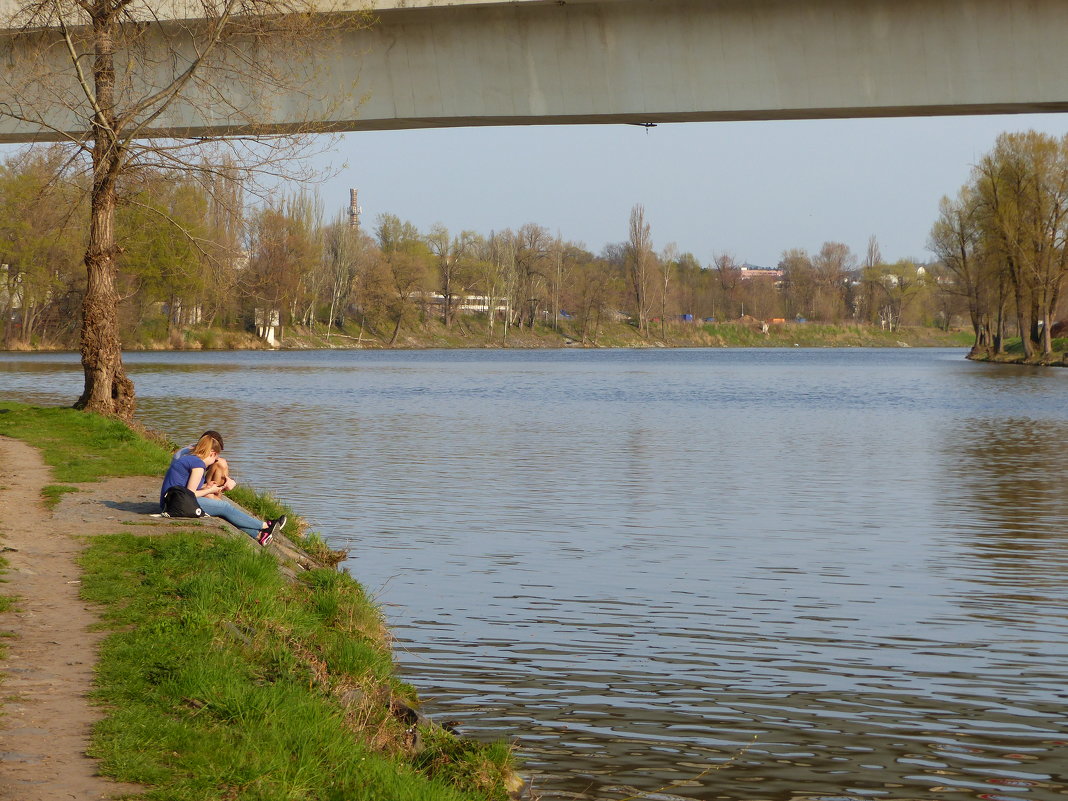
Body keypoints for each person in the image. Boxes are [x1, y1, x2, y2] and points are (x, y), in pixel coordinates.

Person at [160, 431, 285, 546]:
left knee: (222, 512)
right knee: (224, 507)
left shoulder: (189, 458)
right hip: (176, 504)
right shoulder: (198, 464)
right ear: (212, 453)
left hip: (170, 502)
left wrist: (207, 486)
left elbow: (186, 487)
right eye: (215, 458)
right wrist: (210, 490)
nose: (215, 461)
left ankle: (260, 536)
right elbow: (191, 494)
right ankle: (265, 525)